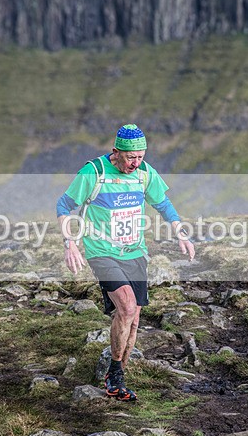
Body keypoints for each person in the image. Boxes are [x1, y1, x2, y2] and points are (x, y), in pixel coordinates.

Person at [57, 124, 195, 401]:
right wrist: (70, 243)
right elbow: (64, 205)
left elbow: (163, 203)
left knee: (133, 320)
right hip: (101, 252)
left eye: (140, 157)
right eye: (130, 157)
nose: (135, 163)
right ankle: (114, 376)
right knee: (127, 305)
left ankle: (117, 373)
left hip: (135, 253)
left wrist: (181, 233)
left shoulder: (144, 173)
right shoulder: (93, 172)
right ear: (115, 152)